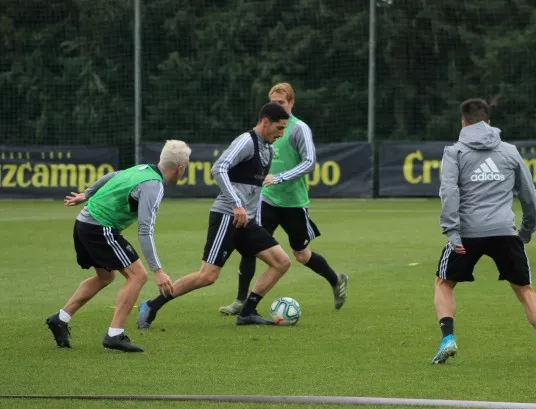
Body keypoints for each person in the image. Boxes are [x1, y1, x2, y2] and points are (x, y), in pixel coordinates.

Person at [137, 102, 292, 328]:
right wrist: (237, 204)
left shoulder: (269, 148)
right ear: (265, 122)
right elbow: (218, 168)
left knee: (281, 262)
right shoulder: (246, 141)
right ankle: (152, 305)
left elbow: (256, 190)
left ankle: (247, 313)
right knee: (207, 276)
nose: (282, 133)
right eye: (279, 128)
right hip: (227, 216)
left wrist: (255, 221)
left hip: (246, 221)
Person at [433, 98, 536, 365]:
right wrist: (526, 230)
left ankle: (448, 340)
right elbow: (529, 194)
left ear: (463, 122)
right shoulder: (510, 151)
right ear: (488, 122)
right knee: (524, 288)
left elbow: (449, 193)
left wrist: (452, 232)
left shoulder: (454, 152)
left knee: (444, 283)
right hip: (505, 231)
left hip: (468, 232)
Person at [45, 140, 191, 352]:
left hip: (85, 222)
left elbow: (113, 175)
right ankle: (115, 334)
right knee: (138, 275)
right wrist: (158, 270)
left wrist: (87, 194)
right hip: (99, 228)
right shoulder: (154, 186)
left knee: (106, 277)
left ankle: (60, 318)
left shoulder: (142, 169)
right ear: (180, 168)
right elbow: (145, 230)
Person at [218, 83, 348, 316]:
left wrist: (279, 177)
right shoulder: (264, 127)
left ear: (291, 103)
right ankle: (240, 301)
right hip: (266, 200)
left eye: (281, 102)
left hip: (294, 202)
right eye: (273, 102)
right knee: (250, 247)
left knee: (301, 254)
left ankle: (336, 279)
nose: (277, 106)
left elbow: (309, 162)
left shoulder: (299, 129)